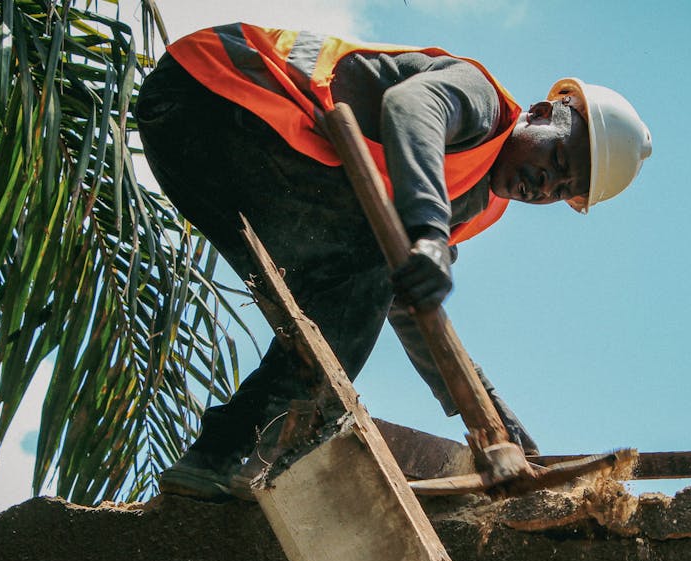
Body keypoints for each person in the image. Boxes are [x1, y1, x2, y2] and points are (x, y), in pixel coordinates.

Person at [136, 23, 651, 500]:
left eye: (564, 191)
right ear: (540, 114)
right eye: (557, 161)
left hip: (223, 160)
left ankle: (217, 457)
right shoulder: (483, 102)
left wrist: (487, 410)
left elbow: (404, 301)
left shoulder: (474, 202)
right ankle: (247, 452)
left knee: (329, 333)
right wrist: (426, 232)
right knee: (359, 289)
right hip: (212, 94)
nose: (546, 186)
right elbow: (411, 105)